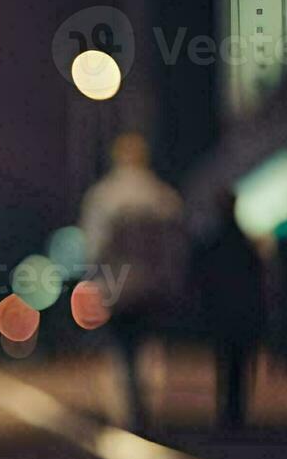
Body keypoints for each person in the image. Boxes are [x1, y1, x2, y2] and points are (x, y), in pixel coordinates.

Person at [79, 134, 187, 432]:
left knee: (122, 351)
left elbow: (95, 248)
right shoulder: (163, 197)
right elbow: (175, 249)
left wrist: (96, 283)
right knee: (148, 347)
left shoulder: (103, 197)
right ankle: (148, 410)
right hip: (154, 287)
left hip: (118, 288)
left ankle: (129, 413)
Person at [195, 190, 265, 428]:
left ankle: (227, 413)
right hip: (243, 311)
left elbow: (204, 280)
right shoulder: (245, 243)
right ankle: (237, 413)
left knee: (225, 363)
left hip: (223, 312)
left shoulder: (214, 243)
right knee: (241, 365)